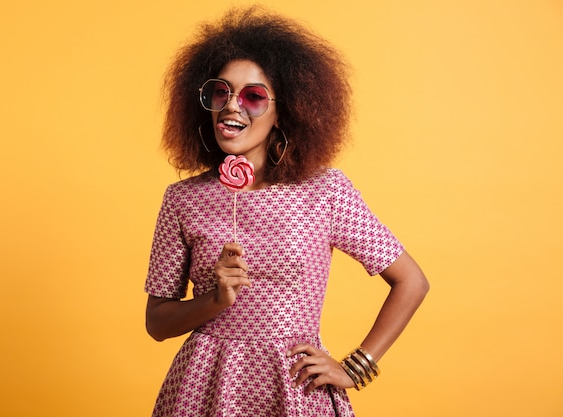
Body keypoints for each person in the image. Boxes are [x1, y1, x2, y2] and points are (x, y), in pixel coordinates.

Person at [145, 6, 429, 417]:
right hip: (204, 387)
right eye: (220, 92)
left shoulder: (324, 191)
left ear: (285, 111)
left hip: (295, 388)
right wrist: (214, 299)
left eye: (253, 96)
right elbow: (157, 323)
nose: (232, 106)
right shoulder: (183, 199)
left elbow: (412, 281)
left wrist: (357, 367)